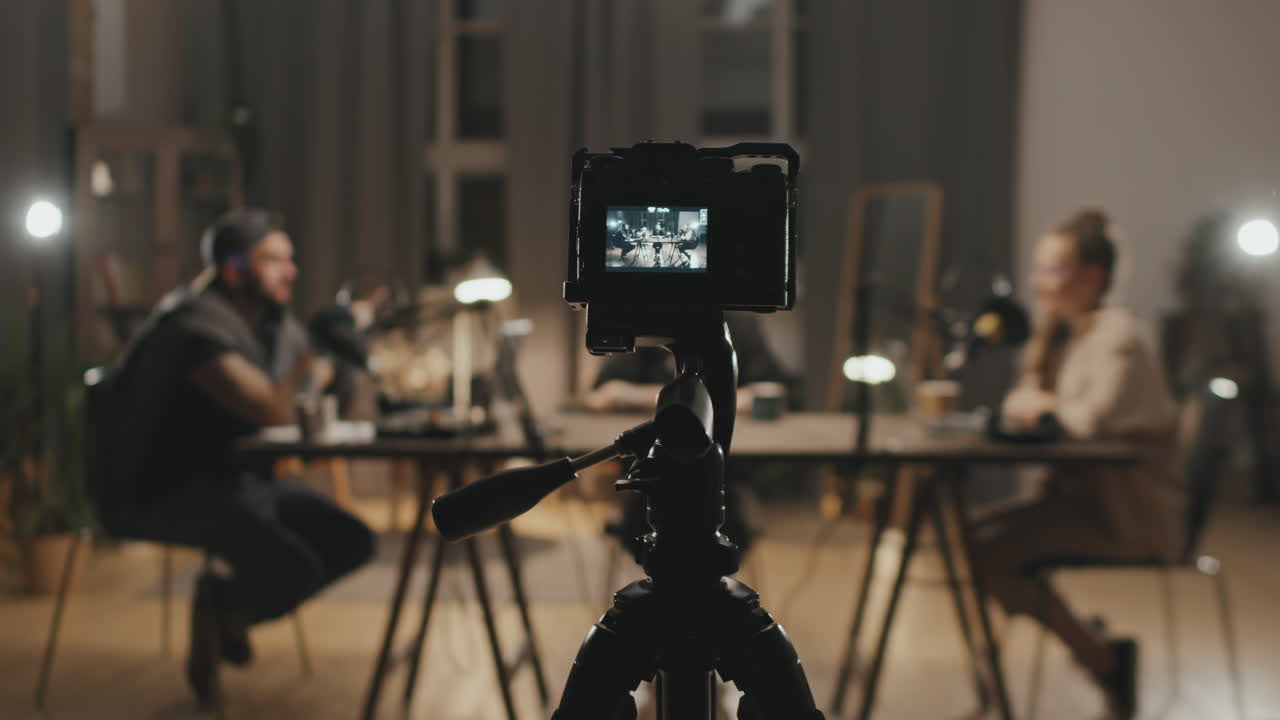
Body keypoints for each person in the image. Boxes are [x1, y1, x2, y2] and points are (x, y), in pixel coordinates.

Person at [99, 209, 377, 706]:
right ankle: (220, 607)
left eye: (290, 260)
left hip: (236, 482)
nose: (291, 272)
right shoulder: (192, 325)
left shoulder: (268, 322)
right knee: (295, 568)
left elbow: (308, 396)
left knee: (352, 539)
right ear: (233, 270)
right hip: (162, 491)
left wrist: (339, 348)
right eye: (273, 260)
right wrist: (319, 352)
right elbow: (273, 408)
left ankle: (224, 610)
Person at [974, 209, 1183, 719]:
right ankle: (1092, 653)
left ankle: (1102, 658)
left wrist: (1043, 406)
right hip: (1083, 504)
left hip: (1131, 518)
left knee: (985, 552)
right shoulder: (1064, 337)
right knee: (969, 539)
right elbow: (1025, 404)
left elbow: (1090, 423)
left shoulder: (1119, 339)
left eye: (1050, 270)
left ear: (1091, 277)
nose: (1035, 283)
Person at [583, 312, 790, 556]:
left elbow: (769, 389)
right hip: (649, 478)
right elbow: (603, 394)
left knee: (729, 526)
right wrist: (697, 398)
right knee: (640, 526)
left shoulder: (740, 325)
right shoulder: (647, 317)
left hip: (725, 479)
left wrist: (663, 398)